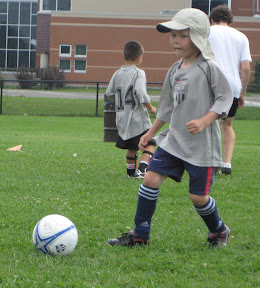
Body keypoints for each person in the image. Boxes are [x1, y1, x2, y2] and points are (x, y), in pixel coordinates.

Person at [108, 8, 233, 248]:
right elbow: (165, 108)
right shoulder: (174, 70)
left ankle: (219, 230)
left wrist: (205, 120)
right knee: (150, 180)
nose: (176, 40)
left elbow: (224, 98)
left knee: (197, 196)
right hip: (173, 141)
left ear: (197, 37)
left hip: (201, 147)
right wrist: (150, 133)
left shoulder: (209, 68)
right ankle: (140, 234)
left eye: (182, 35)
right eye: (173, 35)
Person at [209, 5, 252, 175]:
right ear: (230, 20)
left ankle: (208, 160)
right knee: (227, 124)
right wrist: (241, 92)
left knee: (206, 121)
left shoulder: (207, 32)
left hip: (210, 82)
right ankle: (226, 163)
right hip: (232, 86)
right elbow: (246, 67)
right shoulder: (241, 37)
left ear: (212, 19)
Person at [105, 41, 157, 179]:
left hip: (122, 118)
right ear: (140, 57)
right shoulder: (139, 73)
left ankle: (130, 173)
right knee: (150, 143)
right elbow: (140, 91)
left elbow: (109, 92)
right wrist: (151, 107)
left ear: (124, 55)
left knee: (132, 147)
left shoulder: (117, 73)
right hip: (137, 118)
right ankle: (142, 169)